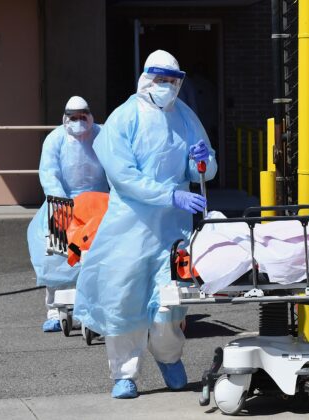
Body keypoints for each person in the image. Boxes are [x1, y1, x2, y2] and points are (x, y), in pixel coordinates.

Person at [73, 50, 217, 399]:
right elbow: (124, 177)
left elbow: (206, 168)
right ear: (146, 78)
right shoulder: (124, 118)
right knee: (125, 303)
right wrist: (170, 195)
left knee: (170, 305)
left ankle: (169, 358)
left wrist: (202, 162)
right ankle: (124, 374)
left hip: (173, 231)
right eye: (161, 80)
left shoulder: (185, 117)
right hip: (130, 230)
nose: (167, 87)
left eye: (173, 81)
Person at [27, 96, 108, 332]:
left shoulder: (102, 136)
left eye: (83, 116)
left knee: (97, 257)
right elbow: (49, 173)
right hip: (62, 205)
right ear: (65, 118)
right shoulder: (54, 139)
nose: (79, 121)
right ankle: (55, 309)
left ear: (90, 115)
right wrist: (62, 202)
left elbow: (114, 167)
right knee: (56, 257)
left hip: (98, 205)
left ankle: (93, 307)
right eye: (74, 117)